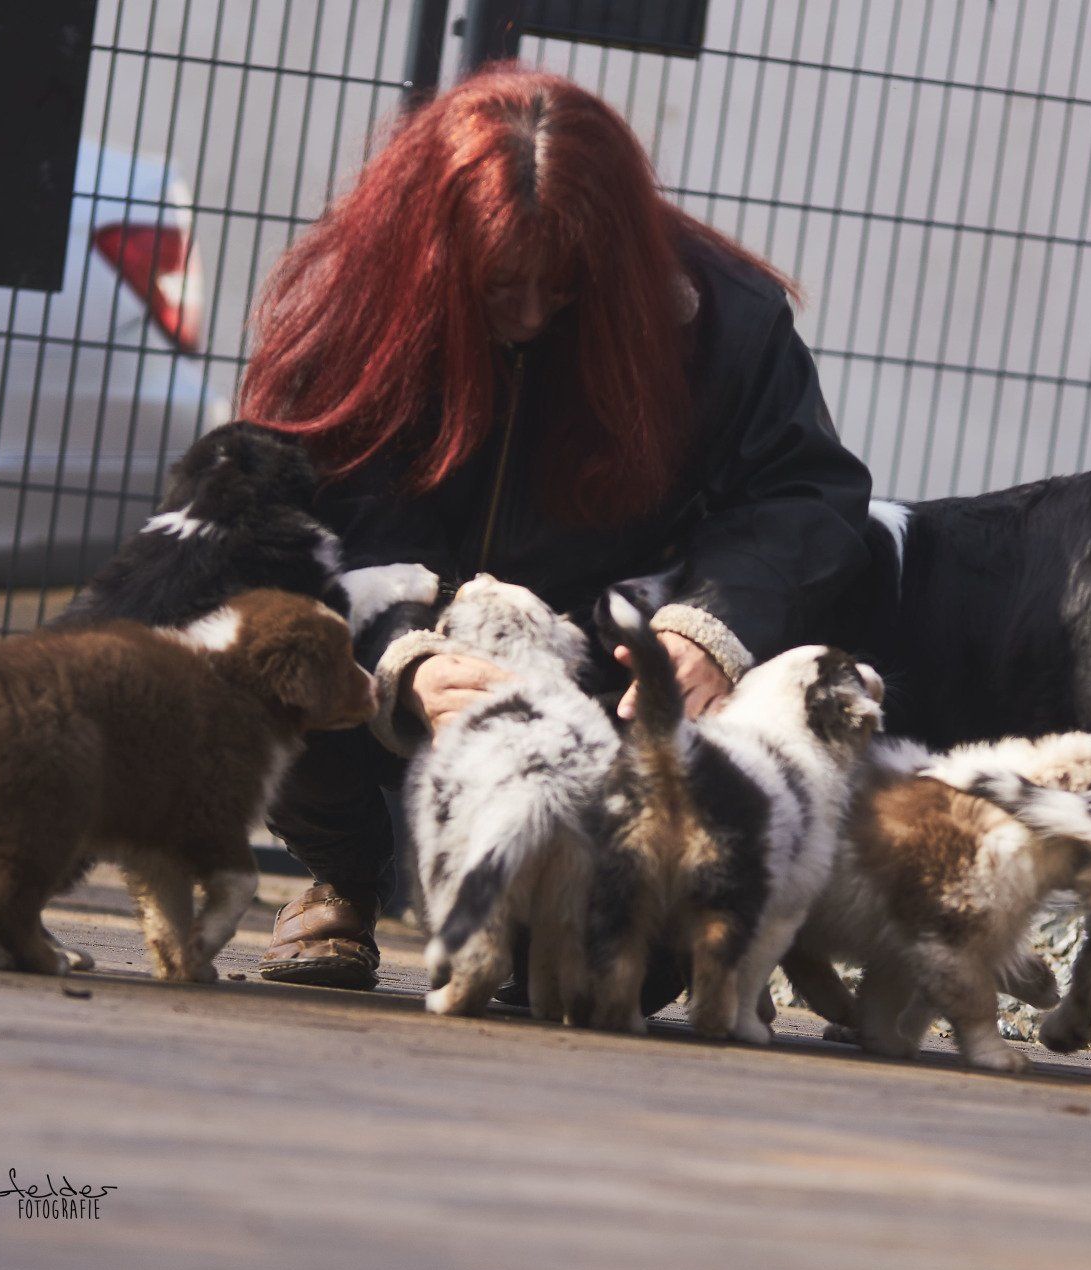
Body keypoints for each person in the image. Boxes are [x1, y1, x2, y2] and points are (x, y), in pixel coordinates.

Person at [241, 66, 873, 992]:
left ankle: (525, 909)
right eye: (500, 289)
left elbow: (806, 496)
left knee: (622, 976)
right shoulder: (358, 304)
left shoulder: (723, 320)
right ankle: (345, 871)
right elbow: (290, 525)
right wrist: (402, 660)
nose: (532, 315)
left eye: (563, 287)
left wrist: (708, 628)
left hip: (593, 691)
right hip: (388, 677)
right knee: (264, 660)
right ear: (433, 257)